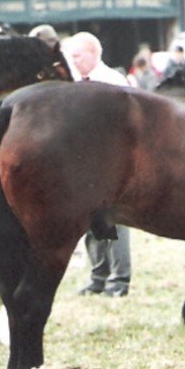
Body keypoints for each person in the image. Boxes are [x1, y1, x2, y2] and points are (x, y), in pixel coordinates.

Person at [65, 31, 131, 297]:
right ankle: (98, 276)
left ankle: (119, 279)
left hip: (111, 161)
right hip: (84, 162)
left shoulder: (113, 82)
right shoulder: (73, 83)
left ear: (93, 54)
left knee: (114, 221)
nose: (73, 60)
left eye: (77, 55)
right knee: (93, 223)